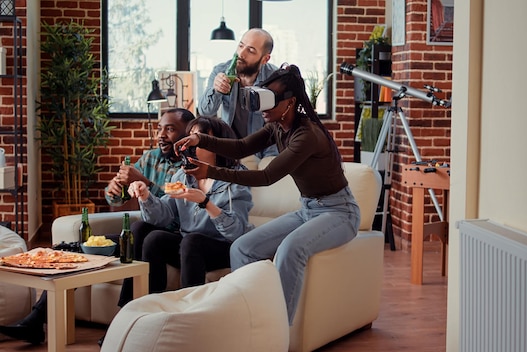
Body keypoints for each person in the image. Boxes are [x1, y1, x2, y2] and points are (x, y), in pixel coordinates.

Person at [174, 64, 361, 325]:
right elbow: (240, 148)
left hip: (339, 212)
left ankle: (276, 331)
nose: (262, 109)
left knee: (290, 249)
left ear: (290, 103)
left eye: (269, 102)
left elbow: (266, 177)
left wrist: (210, 171)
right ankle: (248, 316)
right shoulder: (277, 126)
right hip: (308, 209)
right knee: (242, 247)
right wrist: (200, 140)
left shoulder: (307, 135)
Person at [0, 108, 195, 345]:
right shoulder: (150, 157)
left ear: (187, 133)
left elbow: (173, 214)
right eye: (159, 129)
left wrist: (142, 182)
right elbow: (116, 199)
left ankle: (119, 325)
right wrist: (115, 189)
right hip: (139, 235)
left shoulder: (190, 167)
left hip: (169, 238)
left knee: (141, 230)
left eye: (170, 129)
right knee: (82, 248)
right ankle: (35, 320)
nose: (161, 135)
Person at [117, 117, 253, 307]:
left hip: (223, 247)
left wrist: (205, 202)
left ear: (219, 145)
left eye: (198, 139)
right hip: (189, 246)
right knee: (147, 233)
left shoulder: (236, 178)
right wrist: (146, 195)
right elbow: (163, 217)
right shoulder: (185, 174)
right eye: (189, 137)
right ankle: (137, 308)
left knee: (192, 240)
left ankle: (188, 313)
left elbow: (235, 232)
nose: (190, 144)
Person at [197, 28, 278, 158]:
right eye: (241, 45)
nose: (241, 53)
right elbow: (205, 112)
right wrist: (216, 90)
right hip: (231, 150)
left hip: (266, 151)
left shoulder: (275, 78)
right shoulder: (221, 71)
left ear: (265, 59)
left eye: (250, 50)